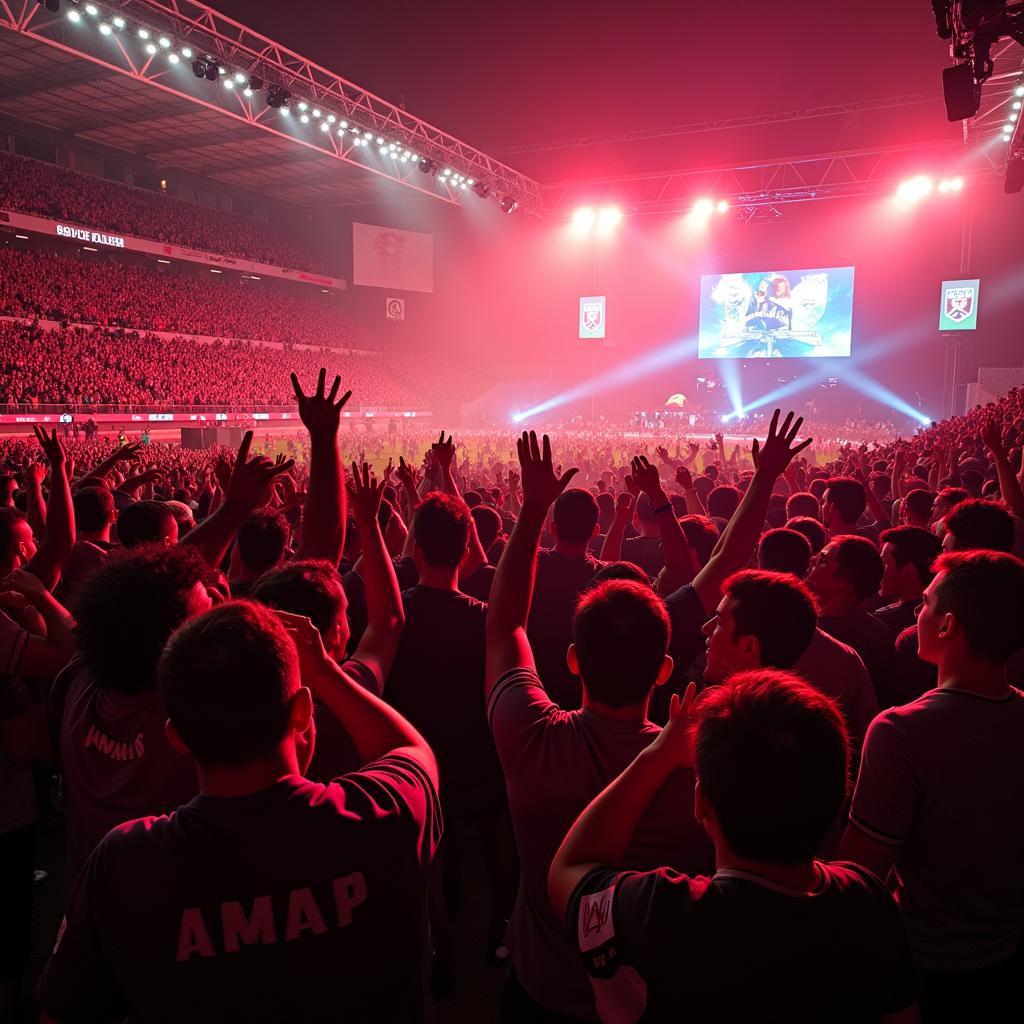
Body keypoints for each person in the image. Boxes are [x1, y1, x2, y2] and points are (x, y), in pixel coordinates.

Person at [37, 601, 440, 1023]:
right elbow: (411, 750)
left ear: (177, 738)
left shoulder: (125, 862)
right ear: (302, 711)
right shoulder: (382, 814)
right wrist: (323, 671)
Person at [486, 431, 713, 1022]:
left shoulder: (529, 736)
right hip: (646, 1001)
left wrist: (532, 509)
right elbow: (704, 576)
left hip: (540, 992)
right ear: (664, 671)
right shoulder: (698, 774)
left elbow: (504, 624)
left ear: (572, 659)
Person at [548, 671, 915, 1023]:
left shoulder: (659, 914)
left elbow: (569, 870)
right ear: (839, 799)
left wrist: (657, 754)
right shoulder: (872, 904)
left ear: (700, 801)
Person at [840, 551, 1024, 1022]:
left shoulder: (902, 732)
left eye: (925, 603)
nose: (917, 613)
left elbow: (859, 872)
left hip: (925, 965)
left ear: (947, 626)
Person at [526, 487, 604, 709]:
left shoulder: (532, 564)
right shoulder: (603, 577)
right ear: (596, 531)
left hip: (534, 685)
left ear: (552, 528)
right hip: (582, 691)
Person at [806, 535, 892, 701]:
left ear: (844, 583)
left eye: (822, 561)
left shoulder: (872, 638)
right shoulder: (878, 631)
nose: (812, 560)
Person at [875, 526, 942, 642]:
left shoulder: (882, 623)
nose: (878, 569)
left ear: (907, 571)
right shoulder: (941, 614)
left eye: (885, 562)